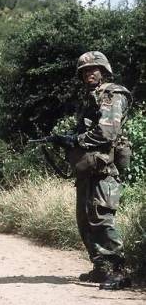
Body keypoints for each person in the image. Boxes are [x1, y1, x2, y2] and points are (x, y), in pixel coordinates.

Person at [69, 51, 132, 290]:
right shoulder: (91, 98)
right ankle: (101, 267)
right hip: (89, 169)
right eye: (84, 71)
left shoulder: (113, 94)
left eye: (93, 69)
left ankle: (119, 271)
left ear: (104, 70)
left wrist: (77, 140)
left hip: (105, 169)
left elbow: (108, 132)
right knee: (84, 220)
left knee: (102, 220)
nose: (88, 74)